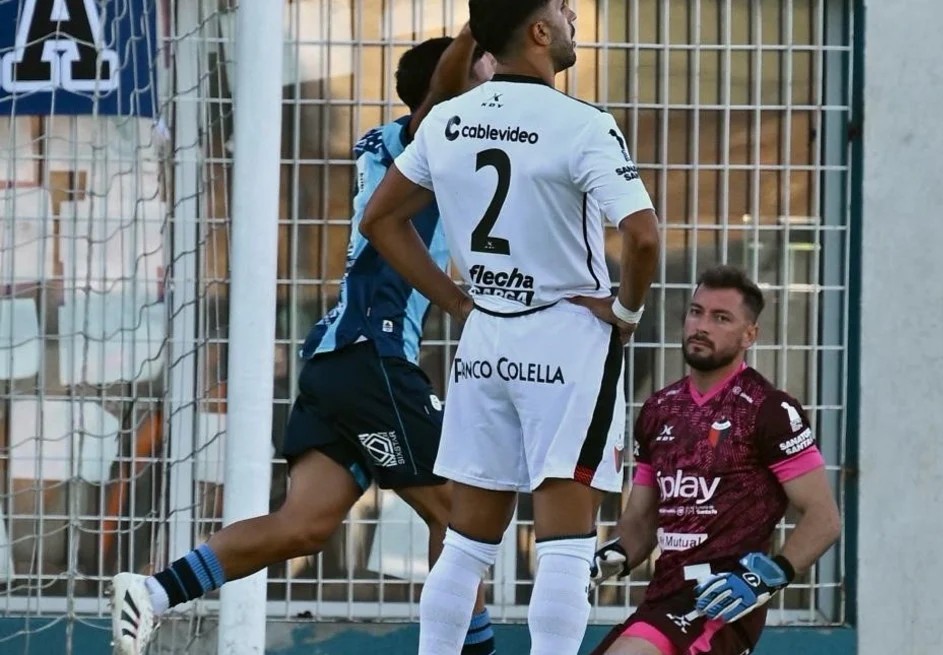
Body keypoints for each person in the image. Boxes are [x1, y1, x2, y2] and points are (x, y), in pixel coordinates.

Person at [109, 29, 497, 655]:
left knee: (304, 525)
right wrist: (484, 18)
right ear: (446, 86)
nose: (493, 71)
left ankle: (152, 593)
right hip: (373, 355)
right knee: (461, 513)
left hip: (337, 360)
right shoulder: (425, 134)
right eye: (484, 62)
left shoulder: (405, 150)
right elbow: (450, 89)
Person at [358, 1, 661, 653]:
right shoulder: (582, 125)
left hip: (486, 338)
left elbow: (379, 222)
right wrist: (627, 314)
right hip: (566, 336)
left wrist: (457, 303)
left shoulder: (448, 121)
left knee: (467, 541)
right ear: (537, 31)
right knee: (566, 542)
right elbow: (641, 237)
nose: (573, 13)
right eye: (560, 6)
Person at [587, 265, 842, 655]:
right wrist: (605, 560)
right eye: (696, 312)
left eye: (721, 318)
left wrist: (767, 576)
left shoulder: (769, 409)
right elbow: (640, 521)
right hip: (662, 598)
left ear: (749, 335)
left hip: (721, 603)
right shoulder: (659, 409)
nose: (701, 325)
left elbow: (824, 519)